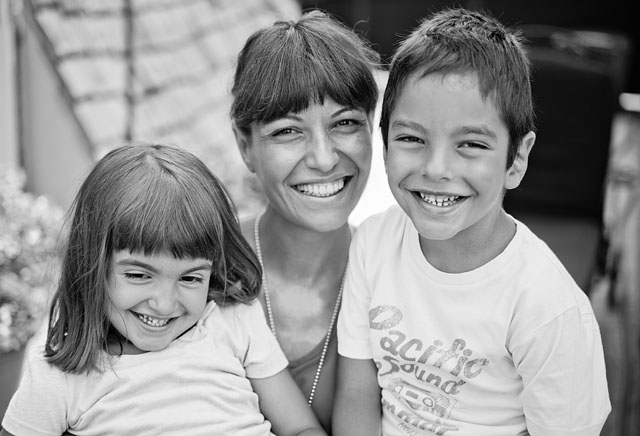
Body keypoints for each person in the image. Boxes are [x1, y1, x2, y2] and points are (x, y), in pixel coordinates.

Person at [334, 8, 611, 436]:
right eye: (411, 138)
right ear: (384, 142)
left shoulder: (547, 307)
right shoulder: (372, 242)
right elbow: (356, 394)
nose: (437, 168)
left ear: (516, 159)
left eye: (471, 144)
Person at [1, 143, 326, 436]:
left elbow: (300, 428)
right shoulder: (60, 375)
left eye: (190, 279)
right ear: (93, 265)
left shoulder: (233, 319)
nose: (164, 303)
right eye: (140, 276)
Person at [230, 10, 379, 434]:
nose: (324, 158)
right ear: (245, 146)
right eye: (287, 132)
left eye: (345, 123)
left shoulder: (399, 275)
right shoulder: (200, 265)